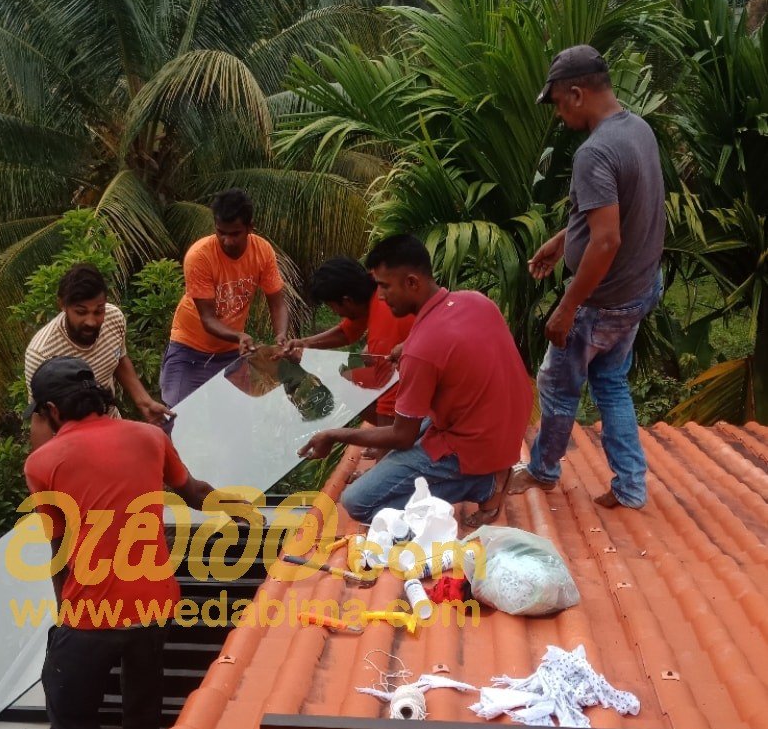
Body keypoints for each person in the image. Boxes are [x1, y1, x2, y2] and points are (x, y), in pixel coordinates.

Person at [24, 357, 213, 729]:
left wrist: (66, 615)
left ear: (50, 410)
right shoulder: (149, 436)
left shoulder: (43, 462)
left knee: (67, 709)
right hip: (156, 602)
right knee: (141, 703)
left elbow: (59, 549)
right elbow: (194, 493)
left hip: (96, 613)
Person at [509, 45, 665, 509]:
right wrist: (564, 239)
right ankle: (631, 486)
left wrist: (567, 307)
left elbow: (606, 241)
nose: (559, 115)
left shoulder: (594, 152)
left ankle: (543, 470)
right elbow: (619, 213)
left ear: (577, 94)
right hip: (640, 288)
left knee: (557, 385)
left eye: (559, 103)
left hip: (603, 302)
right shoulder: (637, 129)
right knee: (611, 381)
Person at [298, 235, 532, 527]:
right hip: (506, 427)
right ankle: (484, 470)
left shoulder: (420, 350)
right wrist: (407, 345)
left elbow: (401, 436)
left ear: (411, 282)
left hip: (474, 444)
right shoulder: (474, 300)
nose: (380, 296)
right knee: (413, 422)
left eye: (385, 286)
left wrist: (334, 435)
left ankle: (483, 485)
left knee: (357, 501)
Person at [160, 189, 290, 406]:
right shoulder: (199, 256)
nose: (227, 241)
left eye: (235, 234)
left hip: (230, 353)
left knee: (237, 418)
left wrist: (281, 336)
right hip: (189, 348)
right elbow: (208, 319)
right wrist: (239, 336)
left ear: (250, 227)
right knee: (176, 413)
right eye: (221, 232)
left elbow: (277, 304)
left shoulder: (263, 251)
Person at [289, 256, 416, 451]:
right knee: (350, 384)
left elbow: (389, 406)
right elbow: (347, 332)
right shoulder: (375, 289)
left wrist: (383, 456)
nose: (335, 312)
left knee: (367, 365)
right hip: (417, 371)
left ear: (346, 301)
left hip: (430, 386)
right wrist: (305, 344)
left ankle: (413, 436)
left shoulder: (385, 326)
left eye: (332, 306)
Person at [25, 263, 172, 425]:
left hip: (111, 424)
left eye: (98, 311)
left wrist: (144, 402)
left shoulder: (113, 318)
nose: (91, 321)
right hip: (72, 437)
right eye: (81, 312)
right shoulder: (41, 353)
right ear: (62, 305)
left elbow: (119, 359)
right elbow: (41, 417)